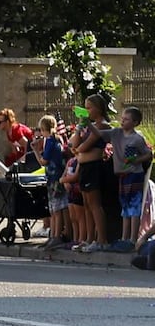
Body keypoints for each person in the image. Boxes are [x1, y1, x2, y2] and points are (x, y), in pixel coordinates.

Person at [107, 105, 151, 252]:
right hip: (123, 177)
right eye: (122, 118)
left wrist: (136, 160)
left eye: (126, 119)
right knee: (125, 208)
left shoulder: (137, 138)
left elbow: (148, 154)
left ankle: (133, 238)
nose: (123, 121)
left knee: (134, 208)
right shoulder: (119, 135)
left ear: (135, 122)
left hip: (135, 176)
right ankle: (124, 238)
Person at [74, 94, 112, 252]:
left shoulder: (102, 126)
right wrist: (78, 130)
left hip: (94, 167)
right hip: (84, 167)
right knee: (87, 205)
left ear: (99, 108)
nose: (87, 111)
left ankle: (102, 239)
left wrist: (88, 126)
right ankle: (89, 239)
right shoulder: (90, 126)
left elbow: (83, 147)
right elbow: (75, 145)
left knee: (95, 204)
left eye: (89, 108)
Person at [34, 115, 70, 250]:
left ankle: (56, 236)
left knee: (55, 210)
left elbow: (44, 161)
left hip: (54, 178)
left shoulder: (49, 140)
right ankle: (53, 235)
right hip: (56, 177)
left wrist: (36, 151)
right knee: (55, 209)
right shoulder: (58, 139)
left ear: (44, 129)